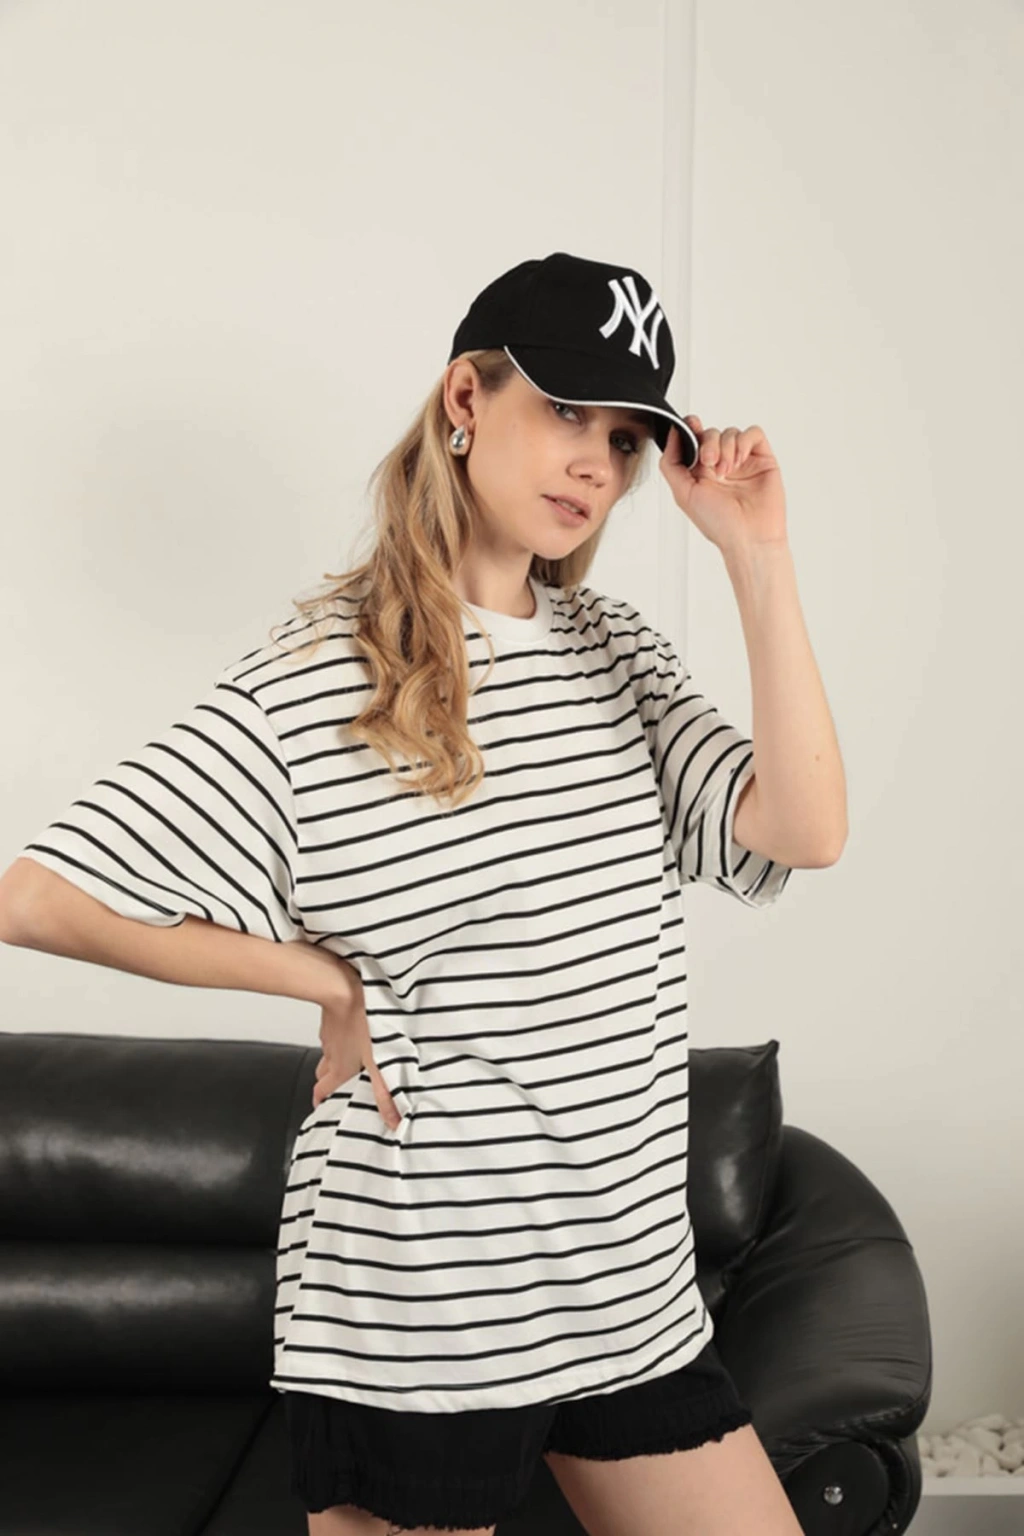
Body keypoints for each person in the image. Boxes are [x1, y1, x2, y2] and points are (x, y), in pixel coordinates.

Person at [0, 252, 813, 1536]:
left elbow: (802, 830)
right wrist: (321, 978)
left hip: (625, 1284)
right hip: (425, 1303)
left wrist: (757, 555)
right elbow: (39, 898)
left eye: (625, 438)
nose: (594, 464)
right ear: (465, 399)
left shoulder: (617, 656)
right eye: (564, 409)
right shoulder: (322, 677)